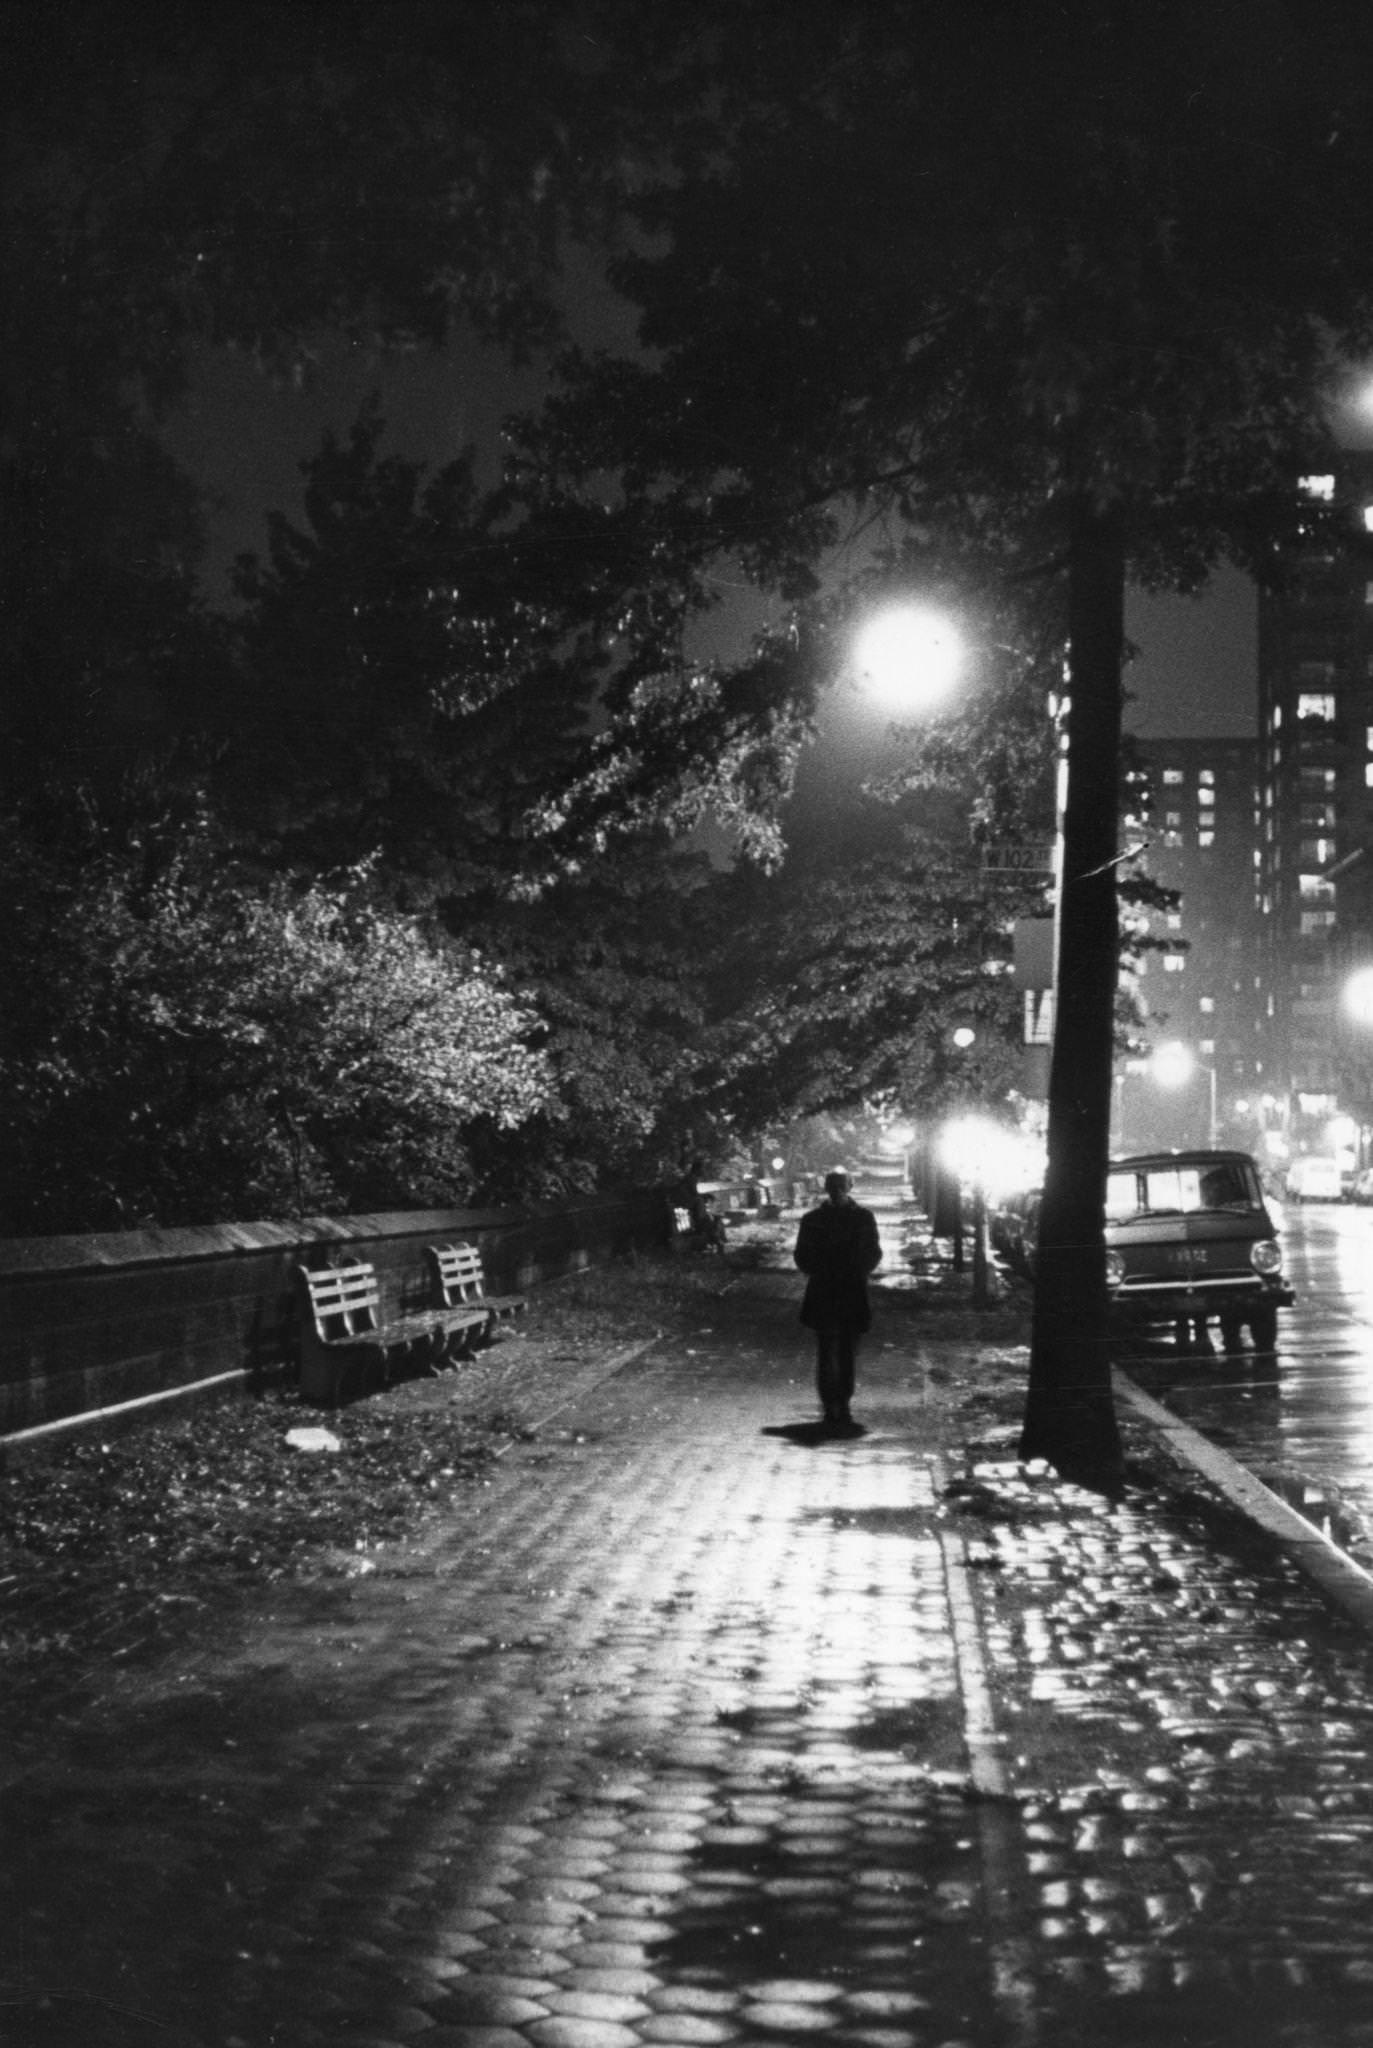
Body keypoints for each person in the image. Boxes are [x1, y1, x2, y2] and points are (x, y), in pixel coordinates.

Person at [793, 1168, 882, 1431]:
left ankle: (840, 1402)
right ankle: (833, 1403)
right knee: (831, 1350)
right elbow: (802, 1255)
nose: (837, 1190)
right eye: (834, 1186)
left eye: (841, 1185)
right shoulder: (816, 1219)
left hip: (844, 1288)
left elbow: (873, 1252)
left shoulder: (859, 1218)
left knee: (843, 1351)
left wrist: (857, 1270)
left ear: (849, 1187)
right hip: (831, 1288)